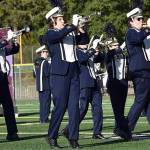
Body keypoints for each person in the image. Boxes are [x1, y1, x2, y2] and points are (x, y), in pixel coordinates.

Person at [43, 7, 87, 149]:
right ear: (53, 21)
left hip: (74, 73)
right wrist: (73, 26)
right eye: (60, 19)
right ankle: (51, 136)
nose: (63, 21)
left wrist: (81, 28)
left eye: (63, 18)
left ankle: (73, 138)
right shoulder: (50, 34)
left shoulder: (69, 32)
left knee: (74, 107)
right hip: (59, 75)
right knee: (60, 107)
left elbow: (84, 41)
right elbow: (58, 36)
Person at [61, 36, 104, 140]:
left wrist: (98, 51)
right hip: (83, 84)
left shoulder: (88, 51)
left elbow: (100, 59)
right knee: (82, 109)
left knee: (98, 108)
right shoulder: (76, 52)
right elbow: (83, 59)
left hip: (94, 82)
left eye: (86, 42)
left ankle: (97, 132)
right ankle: (69, 129)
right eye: (83, 42)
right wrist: (92, 49)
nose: (85, 44)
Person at [126, 7, 150, 132]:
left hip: (146, 72)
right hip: (139, 72)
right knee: (140, 101)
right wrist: (148, 29)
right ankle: (126, 128)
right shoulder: (131, 32)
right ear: (131, 21)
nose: (142, 21)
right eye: (139, 19)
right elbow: (138, 39)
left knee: (148, 102)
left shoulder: (142, 34)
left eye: (142, 18)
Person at [103, 38, 131, 140]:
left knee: (121, 108)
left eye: (118, 45)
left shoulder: (123, 55)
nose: (117, 47)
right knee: (117, 109)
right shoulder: (108, 55)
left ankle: (119, 128)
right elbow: (110, 55)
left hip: (123, 83)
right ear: (109, 47)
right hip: (113, 84)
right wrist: (117, 48)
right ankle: (121, 129)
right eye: (114, 45)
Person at [0, 35, 20, 141]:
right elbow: (2, 44)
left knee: (8, 107)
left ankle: (12, 133)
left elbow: (13, 50)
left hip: (2, 79)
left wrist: (14, 42)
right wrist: (7, 40)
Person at [33, 45, 51, 123]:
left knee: (42, 103)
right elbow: (48, 73)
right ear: (42, 52)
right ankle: (45, 119)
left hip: (39, 85)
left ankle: (41, 118)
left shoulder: (36, 62)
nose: (47, 54)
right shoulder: (45, 62)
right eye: (46, 52)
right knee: (46, 103)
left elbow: (34, 74)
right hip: (46, 85)